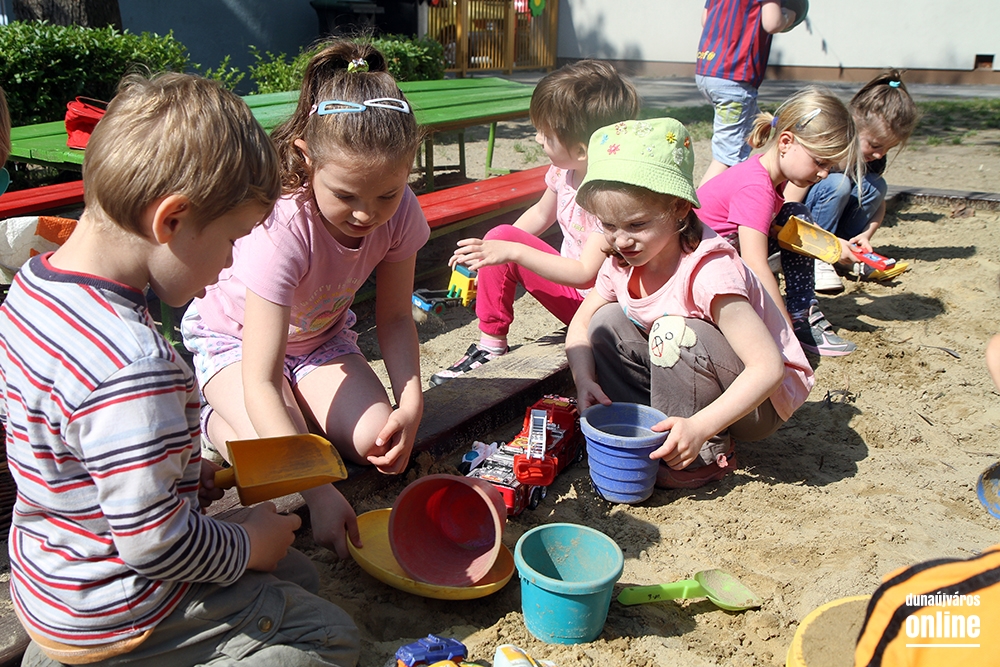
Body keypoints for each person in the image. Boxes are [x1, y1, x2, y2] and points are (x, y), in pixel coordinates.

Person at [0, 73, 360, 667]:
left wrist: (183, 477)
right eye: (231, 240)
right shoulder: (137, 365)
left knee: (297, 574)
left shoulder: (31, 290)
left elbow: (70, 449)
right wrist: (245, 544)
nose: (228, 266)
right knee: (332, 639)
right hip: (126, 606)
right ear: (171, 220)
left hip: (54, 580)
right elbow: (155, 544)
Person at [181, 40, 429, 557]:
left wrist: (411, 401)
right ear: (306, 157)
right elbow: (261, 379)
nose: (366, 214)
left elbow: (394, 318)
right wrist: (318, 492)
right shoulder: (283, 228)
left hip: (320, 340)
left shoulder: (402, 211)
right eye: (345, 195)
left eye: (387, 194)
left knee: (375, 443)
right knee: (274, 463)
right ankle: (215, 422)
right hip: (236, 343)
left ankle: (301, 413)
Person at [565, 117, 814, 489]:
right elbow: (581, 325)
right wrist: (584, 379)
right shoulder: (622, 259)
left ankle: (703, 454)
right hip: (692, 374)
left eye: (636, 225)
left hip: (758, 403)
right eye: (609, 226)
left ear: (679, 208)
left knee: (672, 333)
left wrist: (700, 427)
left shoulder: (708, 270)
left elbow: (767, 368)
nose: (621, 240)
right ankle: (646, 430)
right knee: (606, 321)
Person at [430, 59, 640, 385]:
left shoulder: (608, 196)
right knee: (500, 235)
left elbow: (584, 273)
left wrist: (512, 252)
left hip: (600, 309)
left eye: (546, 133)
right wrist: (492, 252)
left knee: (505, 241)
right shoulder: (564, 171)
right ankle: (491, 343)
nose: (538, 138)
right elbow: (541, 214)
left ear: (581, 150)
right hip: (578, 296)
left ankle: (491, 348)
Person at [696, 86, 863, 356]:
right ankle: (798, 320)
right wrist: (784, 330)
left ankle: (800, 314)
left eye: (829, 166)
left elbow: (773, 227)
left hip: (721, 256)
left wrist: (832, 246)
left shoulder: (768, 175)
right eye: (819, 162)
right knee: (796, 215)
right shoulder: (757, 187)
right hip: (701, 272)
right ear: (786, 142)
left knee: (794, 215)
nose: (823, 174)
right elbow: (756, 264)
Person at [786, 70, 920, 295]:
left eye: (888, 148)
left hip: (836, 233)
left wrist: (866, 235)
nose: (880, 154)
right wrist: (825, 241)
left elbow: (880, 205)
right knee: (837, 184)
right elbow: (789, 203)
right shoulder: (827, 149)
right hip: (801, 227)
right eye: (875, 145)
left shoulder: (873, 160)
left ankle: (847, 255)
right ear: (854, 125)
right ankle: (817, 256)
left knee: (876, 185)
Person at [696, 0, 801, 187]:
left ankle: (755, 178)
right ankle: (701, 205)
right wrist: (788, 16)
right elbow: (772, 23)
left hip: (709, 69)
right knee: (727, 158)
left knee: (749, 127)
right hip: (734, 77)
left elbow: (705, 19)